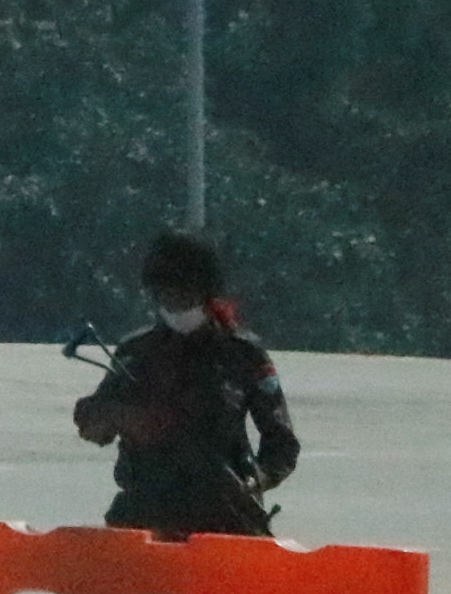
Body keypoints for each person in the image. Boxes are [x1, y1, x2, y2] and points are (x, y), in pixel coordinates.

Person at [72, 230, 298, 538]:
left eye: (184, 295)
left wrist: (253, 480)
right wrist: (122, 417)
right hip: (143, 518)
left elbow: (281, 443)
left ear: (206, 295)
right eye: (165, 295)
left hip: (222, 523)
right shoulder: (136, 353)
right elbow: (94, 426)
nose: (175, 305)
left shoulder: (243, 354)